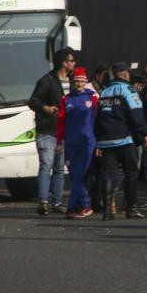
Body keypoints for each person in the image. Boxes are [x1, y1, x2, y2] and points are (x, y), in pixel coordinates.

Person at [95, 62, 147, 220]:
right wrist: (144, 133)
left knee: (108, 174)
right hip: (125, 139)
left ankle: (107, 212)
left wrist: (98, 140)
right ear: (126, 74)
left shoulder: (104, 91)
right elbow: (136, 113)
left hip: (106, 140)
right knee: (131, 173)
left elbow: (98, 117)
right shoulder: (128, 90)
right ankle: (132, 209)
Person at [28, 48, 75, 216]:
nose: (73, 63)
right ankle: (43, 201)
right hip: (47, 130)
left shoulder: (72, 81)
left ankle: (57, 202)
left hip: (65, 131)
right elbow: (33, 101)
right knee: (46, 165)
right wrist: (45, 108)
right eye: (71, 60)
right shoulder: (47, 80)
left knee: (60, 169)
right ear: (64, 63)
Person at [61, 67, 99, 218]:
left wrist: (98, 143)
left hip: (87, 143)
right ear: (72, 82)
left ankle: (75, 206)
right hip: (70, 143)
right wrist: (59, 142)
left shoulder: (93, 99)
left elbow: (97, 121)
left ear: (86, 83)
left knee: (79, 174)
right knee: (74, 175)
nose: (79, 84)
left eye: (82, 81)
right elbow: (61, 123)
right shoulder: (66, 100)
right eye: (76, 81)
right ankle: (82, 205)